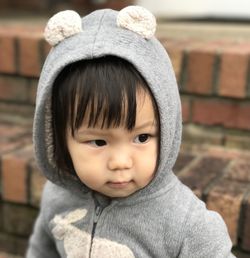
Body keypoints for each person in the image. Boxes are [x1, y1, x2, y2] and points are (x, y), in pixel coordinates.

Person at [26, 6, 235, 258]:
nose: (120, 162)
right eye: (98, 141)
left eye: (142, 137)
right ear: (58, 139)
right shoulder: (57, 197)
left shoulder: (189, 225)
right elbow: (42, 249)